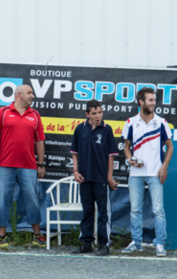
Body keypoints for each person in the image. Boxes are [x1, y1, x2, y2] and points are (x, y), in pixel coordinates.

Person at [0, 84, 47, 248]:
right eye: (29, 93)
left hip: (29, 166)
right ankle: (1, 236)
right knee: (2, 200)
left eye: (32, 93)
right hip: (5, 166)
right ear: (19, 94)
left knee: (32, 200)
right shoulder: (3, 113)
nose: (32, 96)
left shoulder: (35, 115)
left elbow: (39, 140)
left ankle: (37, 235)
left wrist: (40, 164)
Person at [121, 87, 174, 257]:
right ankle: (136, 242)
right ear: (141, 102)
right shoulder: (130, 122)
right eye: (150, 100)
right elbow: (126, 147)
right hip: (135, 174)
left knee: (158, 210)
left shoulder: (161, 122)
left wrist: (164, 166)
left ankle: (160, 243)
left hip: (155, 173)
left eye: (154, 100)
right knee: (135, 209)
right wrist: (130, 159)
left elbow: (170, 147)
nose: (154, 103)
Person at [70, 100, 119, 256]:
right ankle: (86, 243)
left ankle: (104, 244)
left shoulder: (107, 130)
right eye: (94, 113)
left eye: (100, 112)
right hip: (84, 178)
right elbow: (75, 153)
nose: (98, 116)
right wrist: (75, 171)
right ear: (87, 114)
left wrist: (109, 178)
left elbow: (111, 157)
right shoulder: (79, 129)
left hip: (100, 179)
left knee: (103, 214)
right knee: (87, 212)